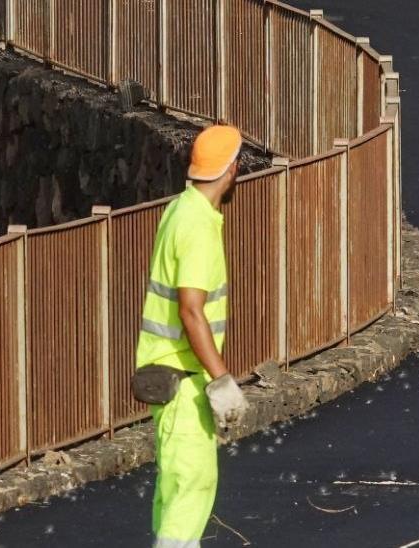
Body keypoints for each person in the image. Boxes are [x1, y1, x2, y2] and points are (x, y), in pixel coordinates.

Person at [135, 124, 249, 547]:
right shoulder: (199, 227)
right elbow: (191, 311)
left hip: (168, 375)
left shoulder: (180, 209)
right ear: (232, 169)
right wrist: (222, 380)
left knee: (177, 488)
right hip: (184, 380)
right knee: (192, 486)